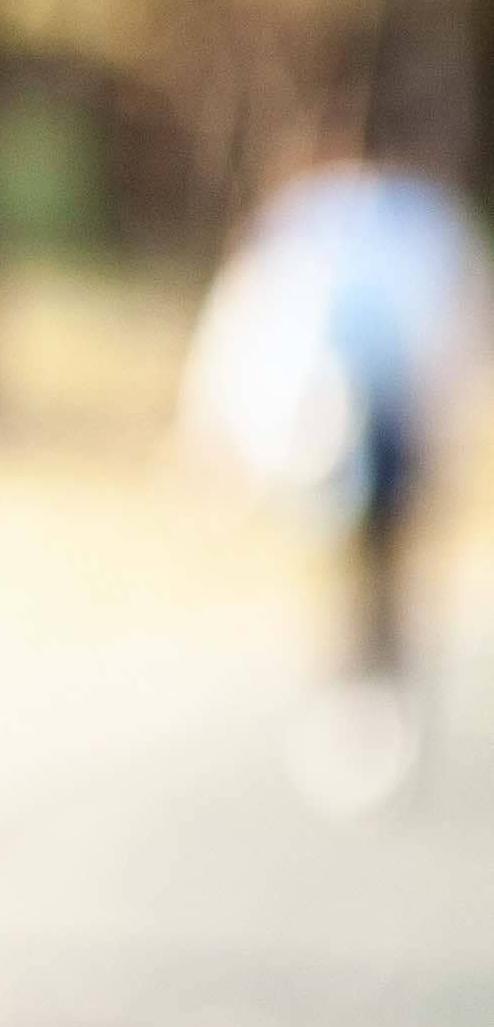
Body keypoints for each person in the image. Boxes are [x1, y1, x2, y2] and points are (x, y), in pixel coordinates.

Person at [181, 117, 490, 811]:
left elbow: (242, 327)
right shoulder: (390, 223)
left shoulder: (331, 219)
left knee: (370, 576)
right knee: (363, 577)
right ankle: (361, 702)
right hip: (339, 430)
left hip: (373, 433)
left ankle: (370, 702)